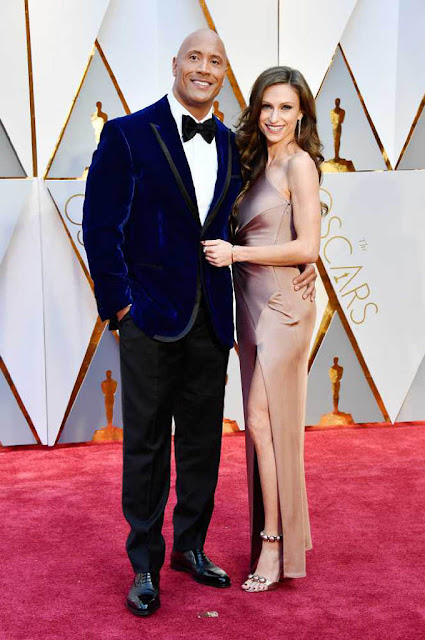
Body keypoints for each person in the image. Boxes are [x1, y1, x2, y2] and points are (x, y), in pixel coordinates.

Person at [83, 30, 317, 616]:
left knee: (202, 445)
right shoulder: (128, 134)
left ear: (224, 75)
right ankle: (144, 563)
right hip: (147, 317)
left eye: (216, 61)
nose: (204, 68)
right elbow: (101, 226)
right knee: (143, 445)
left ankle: (190, 547)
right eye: (195, 57)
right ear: (176, 65)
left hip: (215, 317)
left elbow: (276, 221)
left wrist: (311, 263)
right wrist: (120, 308)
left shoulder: (234, 148)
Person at [203, 66, 323, 591]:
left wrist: (237, 254)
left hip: (282, 308)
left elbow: (307, 248)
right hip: (248, 307)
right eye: (267, 107)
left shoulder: (300, 165)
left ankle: (274, 547)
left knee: (260, 420)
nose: (275, 118)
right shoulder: (248, 159)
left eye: (287, 108)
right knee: (265, 431)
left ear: (302, 115)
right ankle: (282, 534)